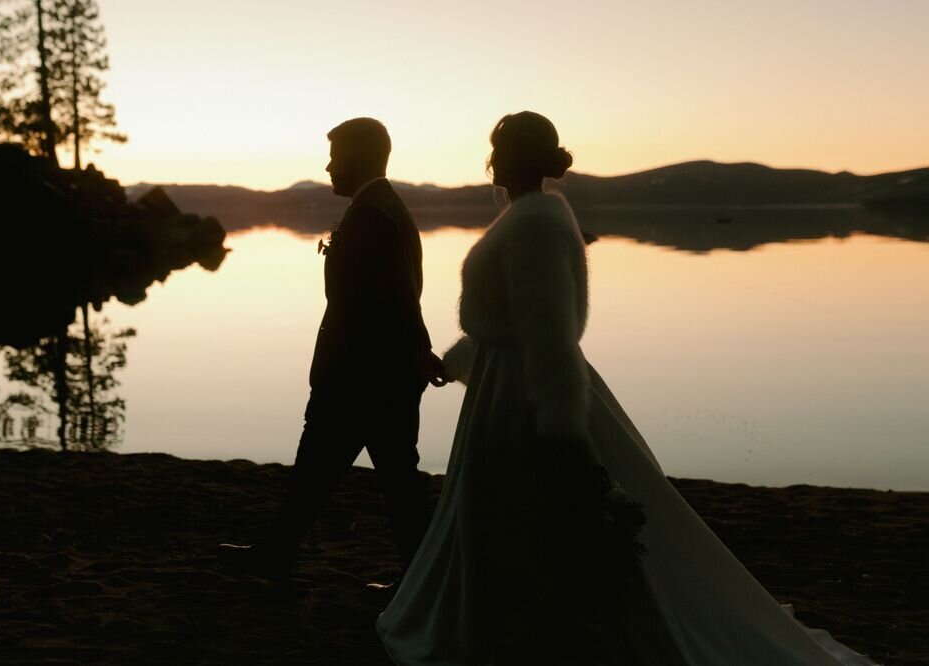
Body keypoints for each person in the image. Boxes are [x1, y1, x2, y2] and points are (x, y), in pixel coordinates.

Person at [376, 111, 877, 665]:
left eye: (498, 149)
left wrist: (563, 432)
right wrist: (460, 361)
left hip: (526, 396)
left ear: (513, 157)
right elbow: (517, 321)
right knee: (499, 521)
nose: (491, 160)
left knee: (527, 520)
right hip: (503, 386)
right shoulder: (532, 215)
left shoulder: (537, 223)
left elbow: (549, 336)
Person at [219, 118, 446, 586]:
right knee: (341, 475)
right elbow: (401, 296)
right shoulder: (383, 208)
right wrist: (417, 355)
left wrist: (409, 355)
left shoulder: (373, 215)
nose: (328, 167)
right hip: (379, 375)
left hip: (362, 378)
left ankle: (419, 584)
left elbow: (390, 300)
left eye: (336, 158)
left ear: (361, 158)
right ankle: (280, 554)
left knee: (381, 481)